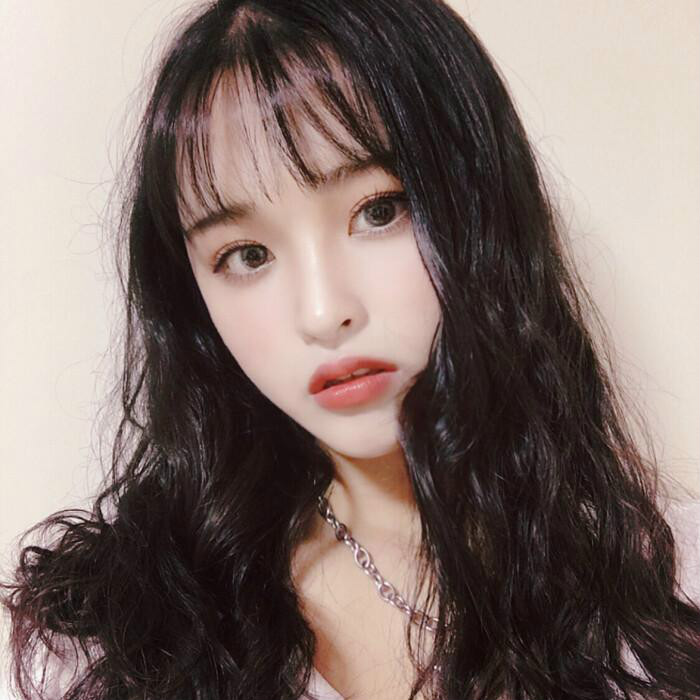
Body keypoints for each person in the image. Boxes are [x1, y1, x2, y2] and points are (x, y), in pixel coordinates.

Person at [2, 1, 699, 699]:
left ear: (481, 208)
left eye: (378, 211)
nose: (323, 313)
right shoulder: (110, 639)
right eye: (247, 255)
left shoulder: (667, 590)